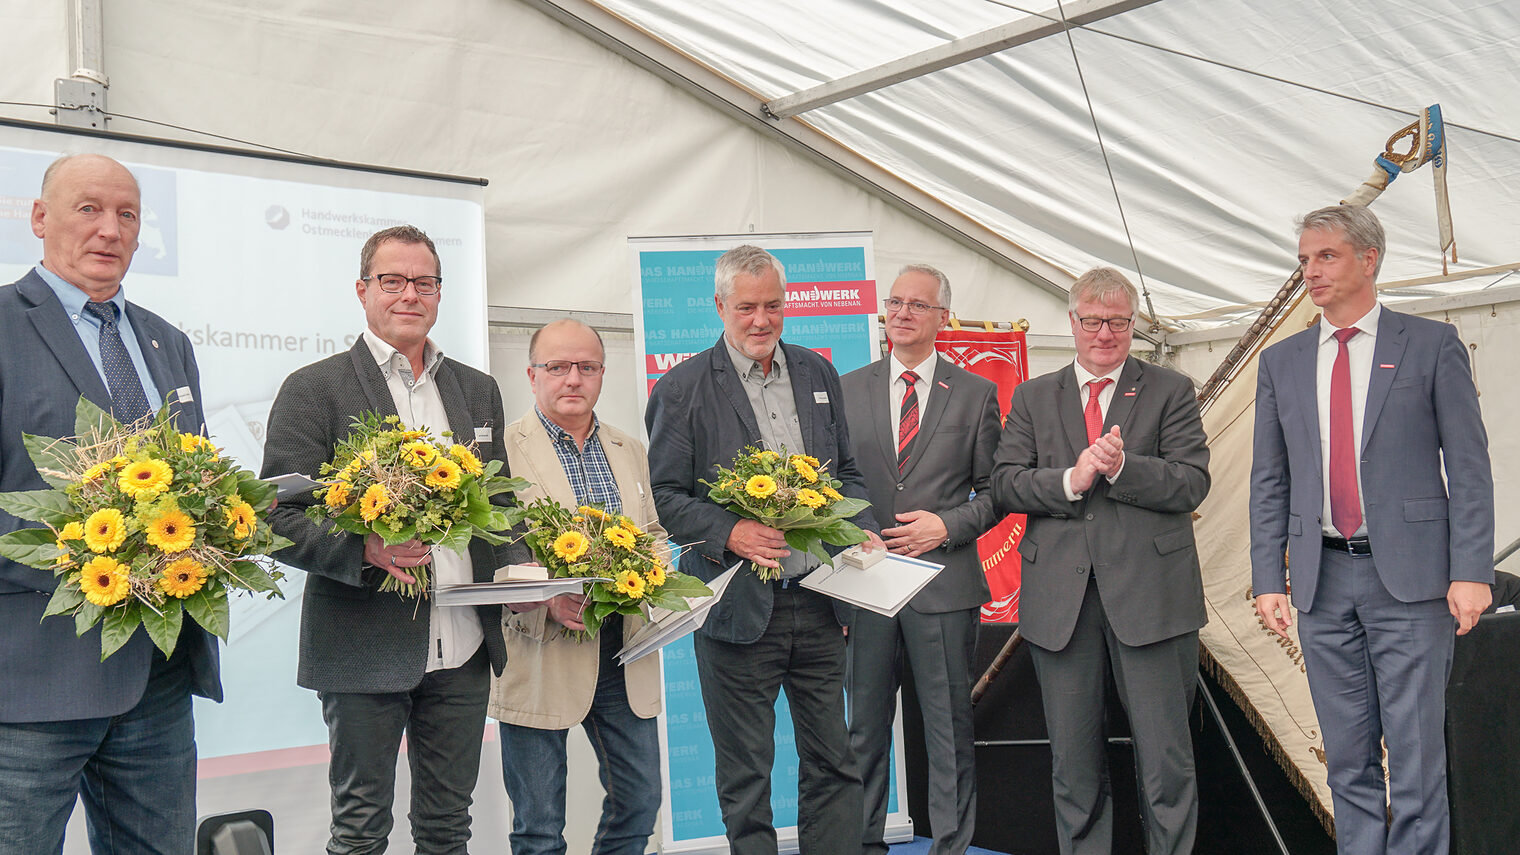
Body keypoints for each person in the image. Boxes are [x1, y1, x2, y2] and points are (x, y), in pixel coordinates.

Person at [261, 225, 523, 854]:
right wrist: (364, 549)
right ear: (363, 290)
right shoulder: (314, 388)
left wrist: (522, 573)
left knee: (447, 828)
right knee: (360, 830)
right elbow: (274, 515)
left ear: (439, 292)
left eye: (424, 282)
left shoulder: (476, 389)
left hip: (463, 647)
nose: (410, 294)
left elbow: (502, 503)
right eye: (393, 281)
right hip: (362, 644)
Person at [1250, 204, 1492, 855]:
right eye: (1303, 259)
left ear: (1368, 259)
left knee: (1415, 764)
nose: (1311, 270)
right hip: (1321, 582)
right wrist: (1267, 576)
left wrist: (1472, 569)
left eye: (1324, 255)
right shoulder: (1282, 363)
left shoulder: (1432, 344)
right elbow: (1268, 478)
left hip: (1413, 583)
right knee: (1347, 759)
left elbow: (1469, 467)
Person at [0, 153, 219, 853]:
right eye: (88, 208)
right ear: (39, 218)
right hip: (29, 683)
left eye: (126, 214)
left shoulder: (168, 341)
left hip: (157, 679)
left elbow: (196, 481)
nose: (110, 229)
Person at [645, 244, 882, 855]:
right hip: (736, 609)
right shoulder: (682, 387)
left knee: (834, 761)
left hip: (821, 604)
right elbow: (666, 498)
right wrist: (728, 532)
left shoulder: (817, 373)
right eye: (747, 307)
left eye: (773, 306)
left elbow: (847, 474)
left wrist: (860, 527)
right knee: (747, 775)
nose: (761, 320)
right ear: (720, 306)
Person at [991, 266, 1209, 855]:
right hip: (1061, 606)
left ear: (1133, 325)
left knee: (1167, 761)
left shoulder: (1170, 389)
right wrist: (1073, 477)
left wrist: (1121, 469)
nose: (1105, 333)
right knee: (1074, 763)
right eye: (1093, 321)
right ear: (1073, 323)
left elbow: (1192, 483)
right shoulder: (1035, 396)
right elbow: (1006, 485)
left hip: (1153, 599)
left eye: (1117, 322)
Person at [487, 318, 667, 855]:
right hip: (541, 650)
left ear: (602, 375)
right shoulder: (500, 450)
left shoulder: (629, 448)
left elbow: (652, 530)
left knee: (640, 802)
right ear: (532, 374)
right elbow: (488, 544)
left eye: (586, 367)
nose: (573, 379)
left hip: (624, 649)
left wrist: (653, 579)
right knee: (539, 826)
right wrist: (543, 600)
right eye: (558, 367)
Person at [841, 264, 1001, 855]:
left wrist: (946, 527)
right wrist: (855, 531)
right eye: (895, 302)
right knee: (863, 732)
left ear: (942, 319)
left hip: (945, 588)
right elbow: (829, 483)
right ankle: (863, 844)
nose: (902, 313)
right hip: (868, 583)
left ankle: (951, 848)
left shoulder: (977, 394)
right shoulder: (846, 387)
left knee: (949, 733)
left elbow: (997, 492)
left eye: (917, 305)